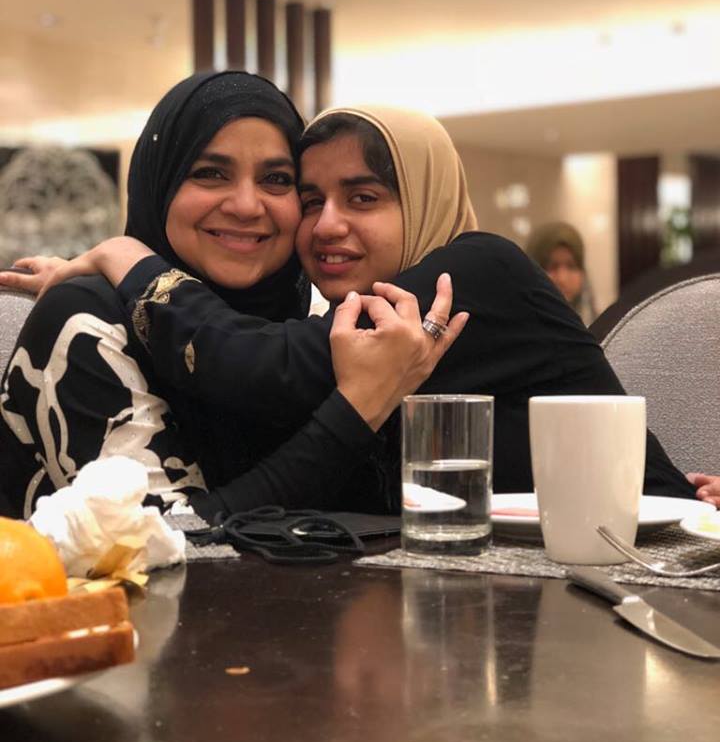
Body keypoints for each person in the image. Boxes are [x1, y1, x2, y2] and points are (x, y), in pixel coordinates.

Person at [5, 105, 703, 516]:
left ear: (424, 198)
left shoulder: (476, 274)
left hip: (644, 577)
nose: (327, 225)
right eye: (310, 200)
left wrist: (125, 257)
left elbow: (251, 363)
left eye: (363, 198)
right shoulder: (327, 321)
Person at [0, 77, 464, 520]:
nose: (245, 205)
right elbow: (163, 543)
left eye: (276, 179)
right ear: (160, 184)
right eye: (210, 173)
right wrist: (357, 411)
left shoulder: (317, 325)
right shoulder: (85, 321)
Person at [525, 221, 596, 326]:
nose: (562, 279)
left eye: (571, 266)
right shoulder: (517, 329)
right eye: (552, 267)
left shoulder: (599, 326)